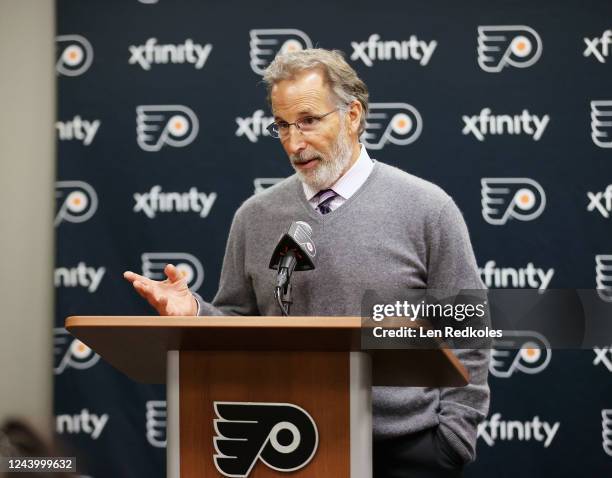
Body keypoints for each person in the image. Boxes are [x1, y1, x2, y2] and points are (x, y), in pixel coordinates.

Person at [124, 48, 489, 477]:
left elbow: (468, 329)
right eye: (282, 126)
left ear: (352, 115)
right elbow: (239, 322)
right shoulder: (255, 216)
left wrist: (452, 438)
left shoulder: (426, 208)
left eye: (309, 121)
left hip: (405, 449)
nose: (294, 143)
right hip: (284, 445)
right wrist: (196, 313)